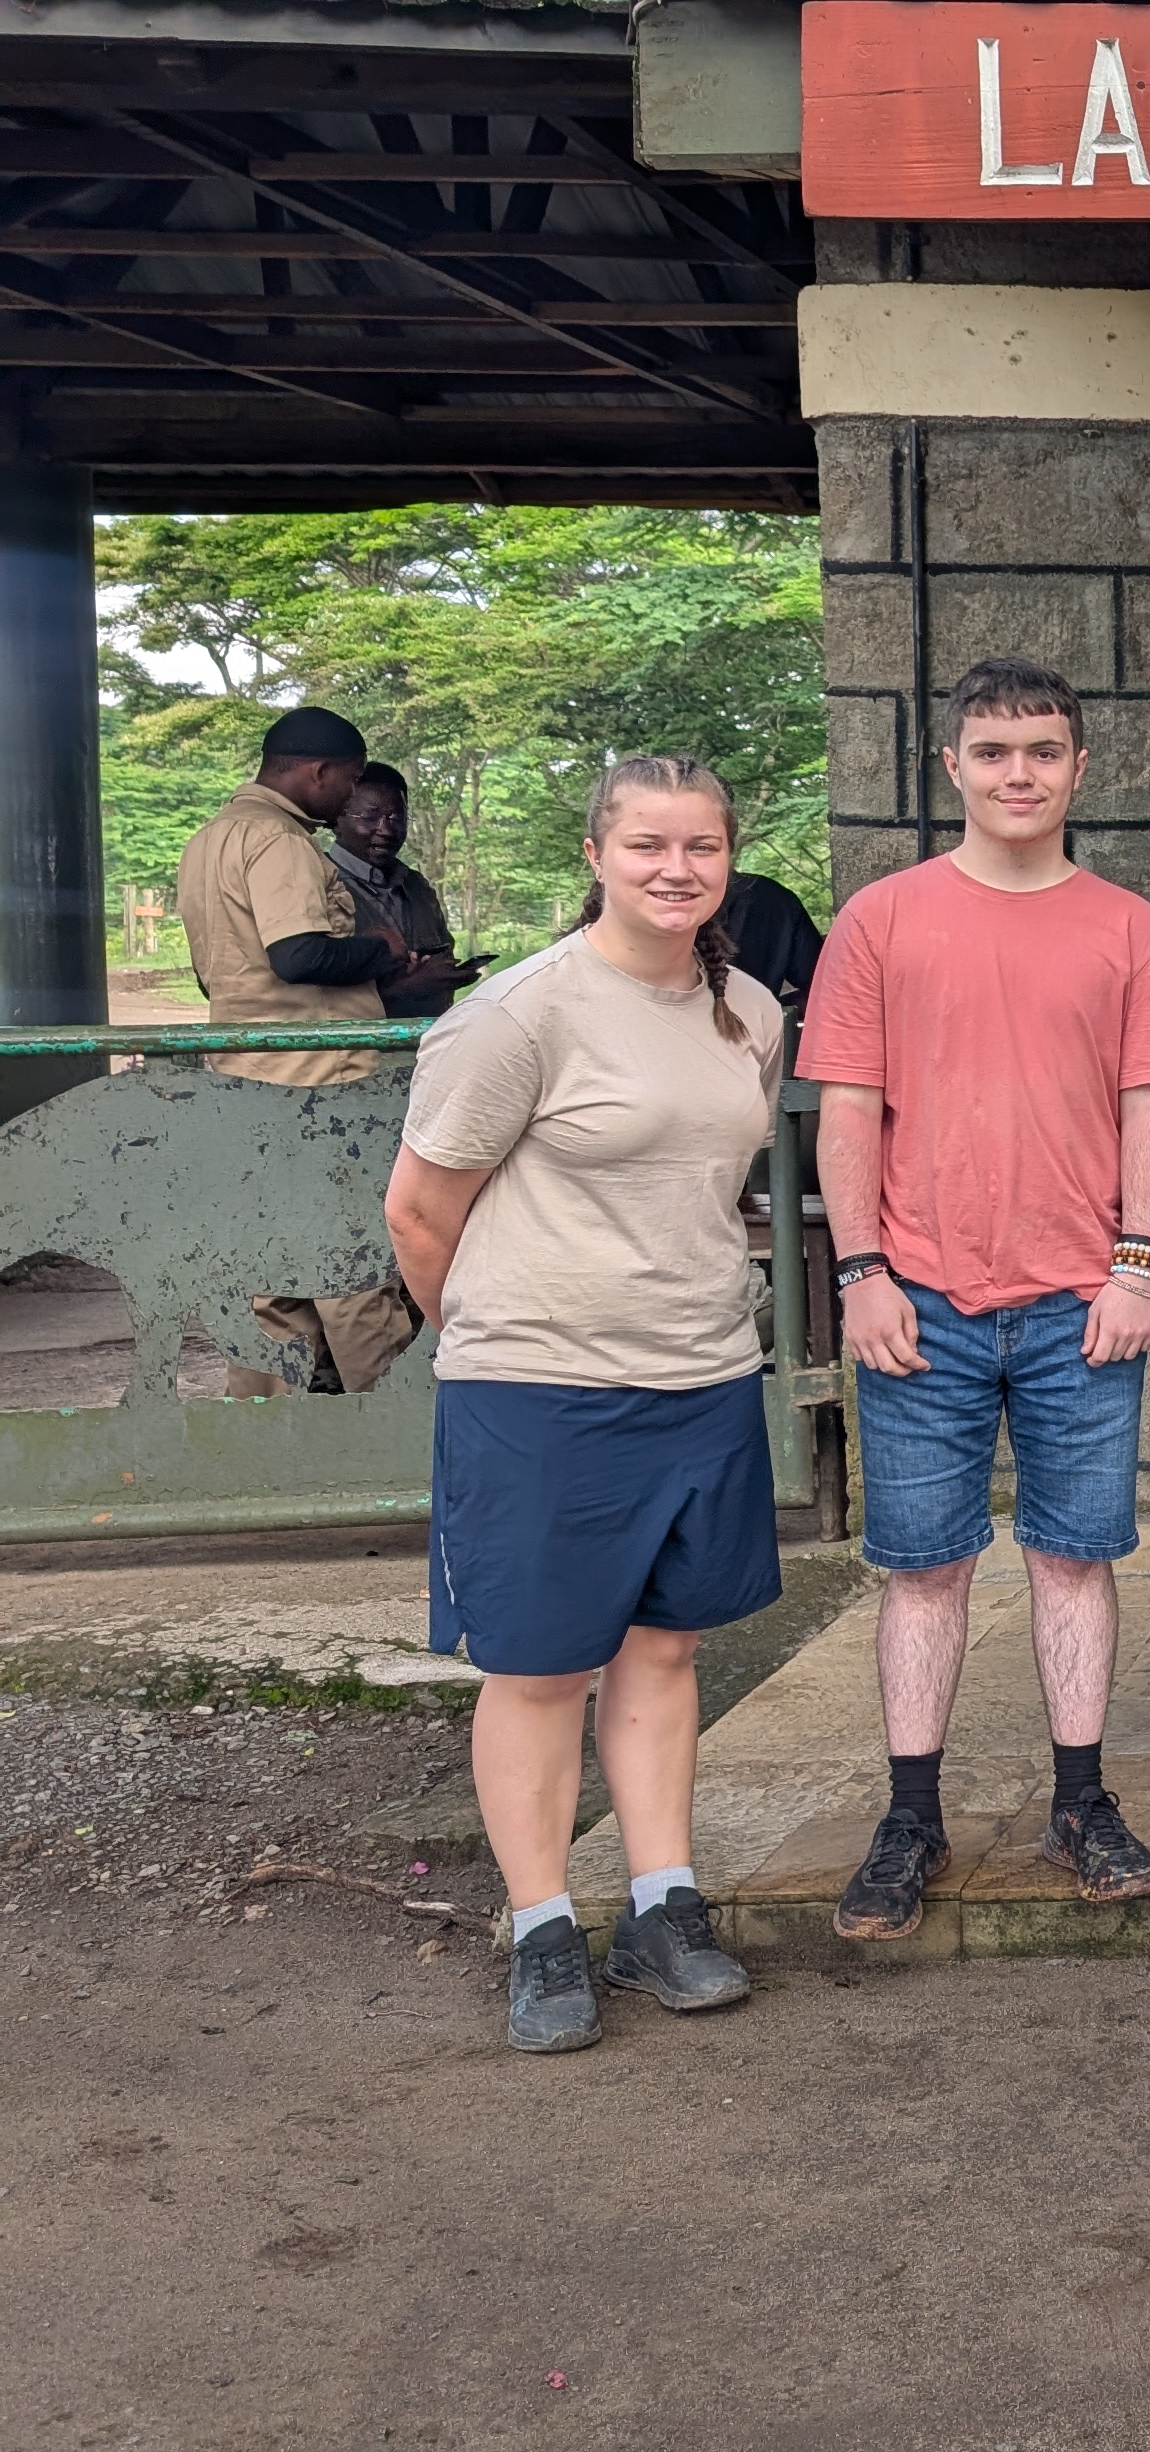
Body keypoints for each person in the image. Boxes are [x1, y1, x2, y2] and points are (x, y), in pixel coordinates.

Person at [381, 758, 782, 2054]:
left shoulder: (748, 1013)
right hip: (537, 1391)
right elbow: (420, 1213)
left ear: (729, 858)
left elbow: (706, 1187)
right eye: (650, 844)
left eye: (704, 846)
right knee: (542, 1666)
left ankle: (662, 1907)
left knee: (665, 1652)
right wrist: (502, 1342)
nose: (679, 868)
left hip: (702, 1376)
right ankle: (544, 1924)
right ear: (599, 853)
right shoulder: (518, 1016)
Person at [809, 658, 1150, 1940]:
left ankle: (1080, 1800)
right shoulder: (883, 919)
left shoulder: (1130, 926)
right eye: (990, 752)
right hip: (920, 1296)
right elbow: (848, 1108)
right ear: (952, 768)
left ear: (1082, 767)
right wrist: (859, 1272)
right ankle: (911, 1814)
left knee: (1076, 1559)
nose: (1016, 774)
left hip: (1086, 1300)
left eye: (1041, 751)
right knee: (923, 1571)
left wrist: (1143, 1260)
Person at [175, 704, 457, 1395]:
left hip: (247, 1076)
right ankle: (394, 1436)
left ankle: (273, 1442)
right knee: (353, 1268)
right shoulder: (277, 842)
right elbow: (297, 954)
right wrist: (381, 948)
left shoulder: (209, 839)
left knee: (274, 1272)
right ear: (319, 771)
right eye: (350, 782)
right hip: (318, 1082)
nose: (348, 801)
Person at [330, 764, 461, 971]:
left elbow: (444, 954)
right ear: (336, 819)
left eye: (397, 817)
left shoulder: (417, 887)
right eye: (370, 817)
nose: (386, 830)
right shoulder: (318, 882)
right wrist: (407, 987)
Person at [717, 868, 827, 1023]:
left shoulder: (678, 902)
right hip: (757, 1030)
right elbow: (823, 986)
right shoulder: (773, 896)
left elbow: (821, 985)